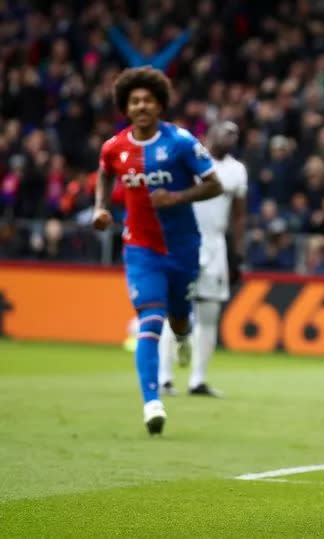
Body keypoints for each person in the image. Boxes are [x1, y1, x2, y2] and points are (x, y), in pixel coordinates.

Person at [92, 66, 223, 435]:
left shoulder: (181, 142)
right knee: (150, 319)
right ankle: (152, 402)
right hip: (140, 249)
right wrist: (101, 208)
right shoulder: (114, 148)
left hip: (183, 249)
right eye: (134, 101)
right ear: (125, 107)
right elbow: (104, 172)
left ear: (160, 103)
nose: (141, 106)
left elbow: (214, 186)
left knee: (179, 318)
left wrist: (177, 197)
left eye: (148, 99)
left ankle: (182, 336)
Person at [158, 121, 247, 397]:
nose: (230, 137)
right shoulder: (188, 159)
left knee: (209, 315)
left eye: (235, 134)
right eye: (225, 131)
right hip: (184, 242)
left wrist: (237, 255)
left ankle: (197, 379)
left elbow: (239, 215)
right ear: (209, 134)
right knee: (174, 311)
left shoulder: (237, 170)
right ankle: (164, 378)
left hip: (216, 245)